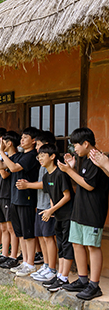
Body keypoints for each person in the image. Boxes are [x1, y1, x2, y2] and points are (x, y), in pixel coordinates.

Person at [57, 127, 109, 300]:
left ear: (86, 143)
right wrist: (72, 169)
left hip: (93, 212)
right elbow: (83, 181)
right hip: (79, 210)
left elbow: (89, 185)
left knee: (93, 246)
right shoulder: (86, 159)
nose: (74, 149)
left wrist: (69, 171)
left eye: (76, 145)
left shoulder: (98, 159)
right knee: (77, 244)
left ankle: (94, 285)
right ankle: (82, 279)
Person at [16, 130, 56, 282]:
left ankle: (51, 268)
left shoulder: (50, 165)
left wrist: (28, 185)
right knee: (41, 237)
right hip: (40, 204)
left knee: (48, 237)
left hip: (47, 206)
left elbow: (47, 184)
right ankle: (46, 265)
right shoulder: (42, 164)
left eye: (39, 145)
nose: (37, 148)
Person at [0, 127, 40, 276]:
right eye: (21, 137)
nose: (22, 140)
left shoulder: (32, 156)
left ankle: (30, 264)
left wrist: (2, 152)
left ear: (33, 140)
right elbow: (3, 167)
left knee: (28, 233)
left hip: (26, 199)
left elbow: (14, 168)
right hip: (15, 198)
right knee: (21, 233)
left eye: (25, 137)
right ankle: (25, 261)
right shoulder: (20, 155)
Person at [38, 144, 74, 292]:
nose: (39, 158)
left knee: (66, 245)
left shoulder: (60, 174)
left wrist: (51, 209)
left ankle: (64, 277)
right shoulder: (46, 176)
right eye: (38, 156)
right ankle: (60, 276)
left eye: (42, 155)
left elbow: (67, 196)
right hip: (58, 215)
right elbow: (52, 196)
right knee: (61, 245)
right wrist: (51, 210)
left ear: (52, 156)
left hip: (68, 215)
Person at [0, 132, 21, 269]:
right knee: (3, 227)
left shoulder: (15, 158)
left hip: (8, 195)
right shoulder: (3, 157)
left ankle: (13, 256)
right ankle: (4, 254)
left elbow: (5, 174)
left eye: (2, 143)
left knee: (11, 228)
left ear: (9, 143)